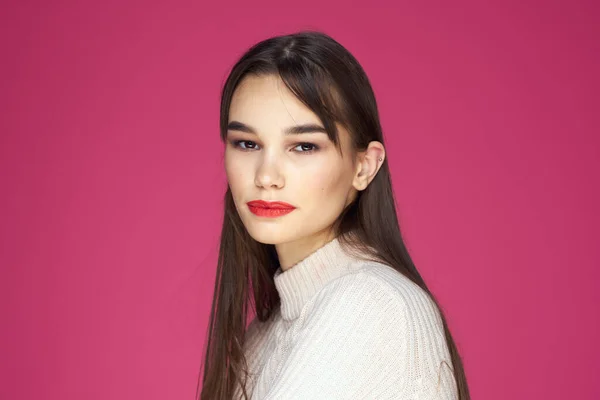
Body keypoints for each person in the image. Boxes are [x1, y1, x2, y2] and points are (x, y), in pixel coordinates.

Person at [198, 30, 470, 400]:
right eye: (247, 143)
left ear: (364, 167)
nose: (265, 176)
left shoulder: (372, 306)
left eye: (304, 146)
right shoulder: (263, 335)